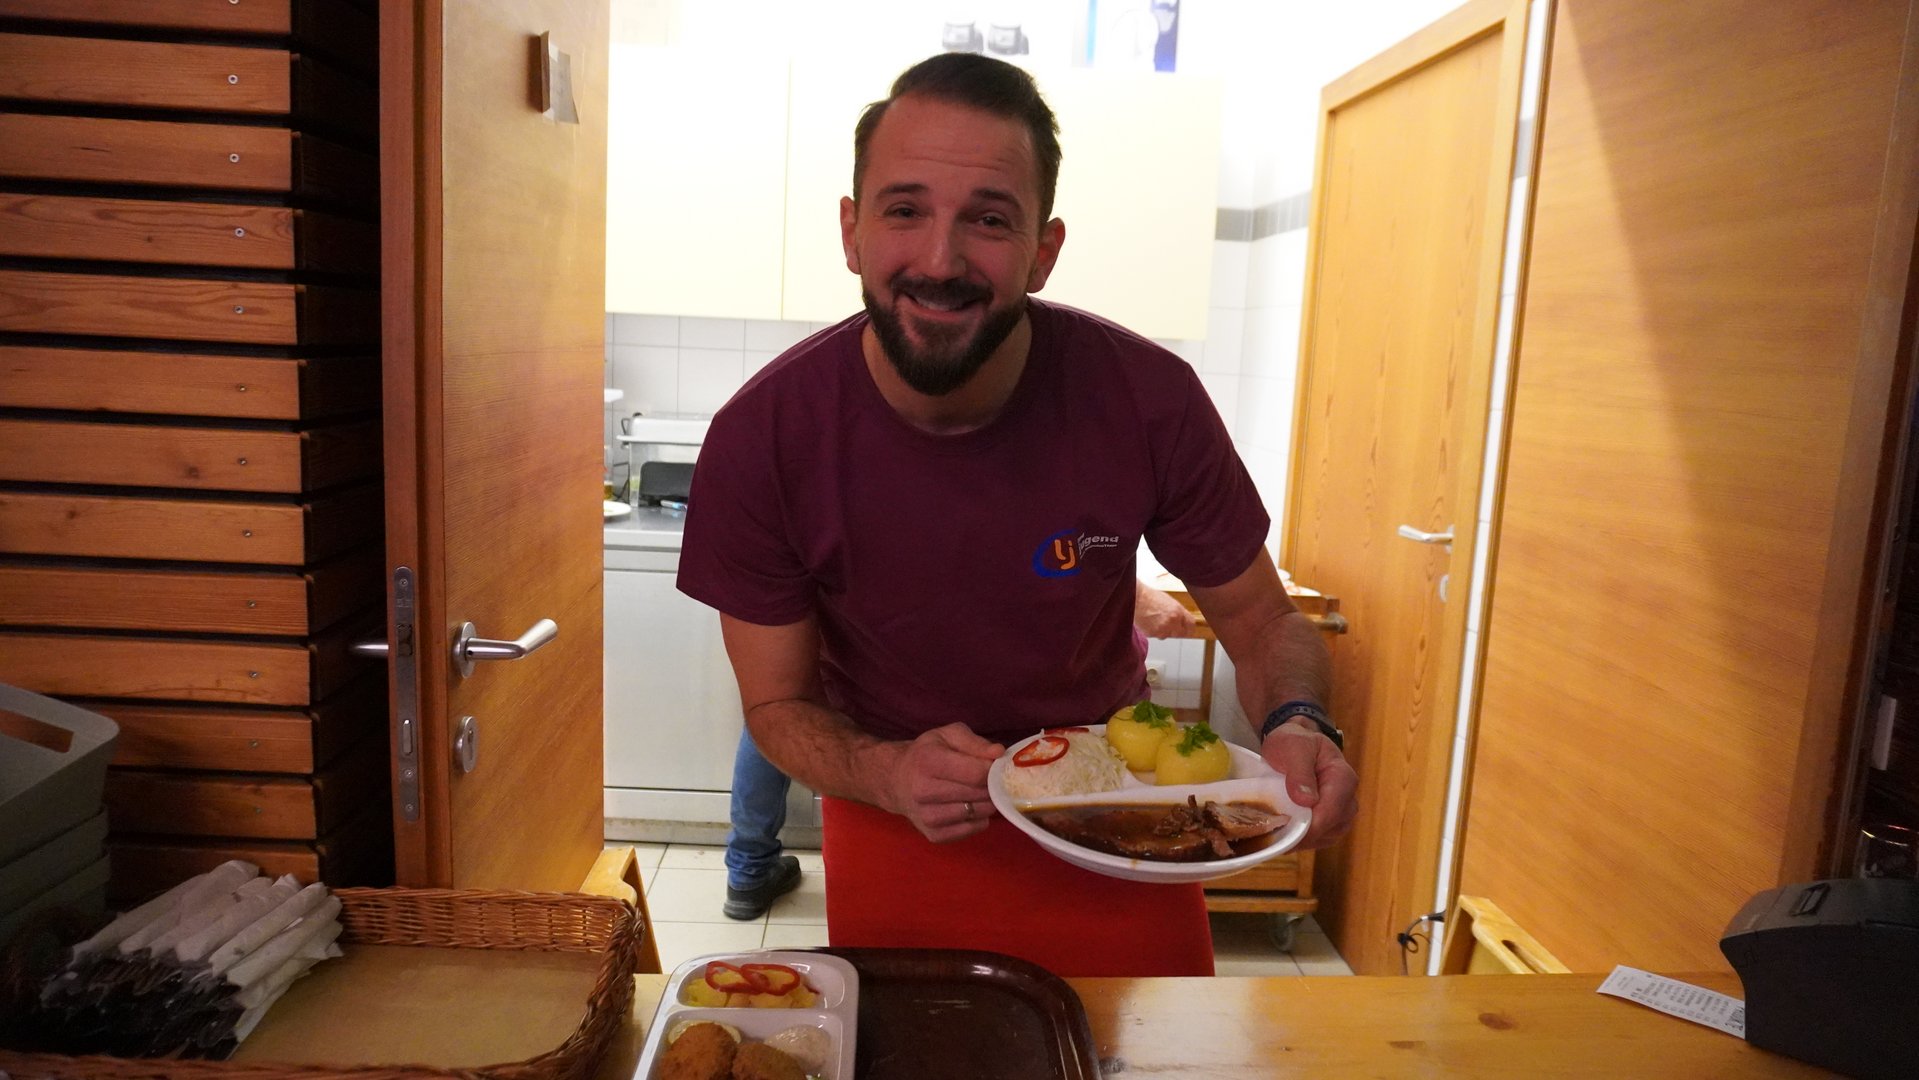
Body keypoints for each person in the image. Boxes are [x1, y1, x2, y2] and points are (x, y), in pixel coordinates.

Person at [679, 52, 1356, 977]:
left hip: (1114, 805)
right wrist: (885, 772)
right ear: (850, 230)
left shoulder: (1148, 399)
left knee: (1154, 1041)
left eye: (989, 219)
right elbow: (775, 706)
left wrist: (1301, 720)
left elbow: (1263, 621)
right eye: (903, 210)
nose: (939, 260)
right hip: (899, 815)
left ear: (1043, 250)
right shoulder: (762, 435)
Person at [717, 578, 1194, 921]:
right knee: (779, 696)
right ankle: (750, 863)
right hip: (894, 784)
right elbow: (777, 703)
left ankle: (748, 866)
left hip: (1099, 777)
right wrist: (884, 775)